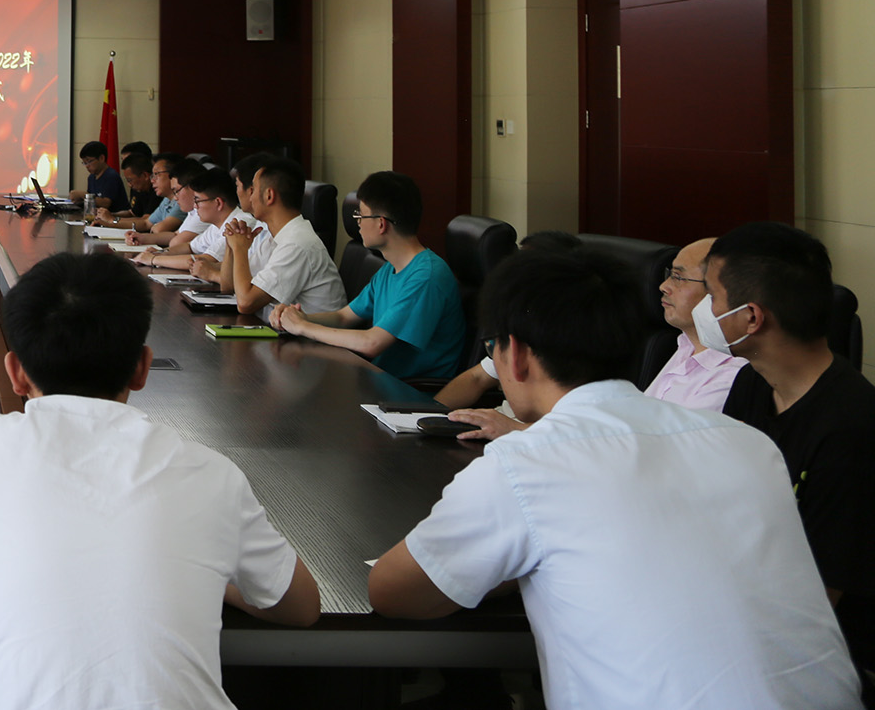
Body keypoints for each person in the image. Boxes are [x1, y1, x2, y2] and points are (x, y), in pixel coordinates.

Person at [369, 247, 859, 709]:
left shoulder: (524, 461)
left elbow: (392, 591)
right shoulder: (750, 444)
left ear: (513, 355)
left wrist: (512, 568)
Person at [0, 250, 319, 708]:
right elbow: (302, 606)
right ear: (143, 368)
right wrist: (208, 570)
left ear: (16, 373)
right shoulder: (212, 474)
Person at [710, 222, 875, 676]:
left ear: (751, 317)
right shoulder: (752, 383)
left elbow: (820, 596)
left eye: (713, 297)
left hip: (823, 652)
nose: (708, 311)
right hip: (743, 603)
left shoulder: (852, 429)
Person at [441, 235, 743, 439]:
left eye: (678, 277)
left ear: (719, 291)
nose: (663, 286)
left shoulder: (735, 375)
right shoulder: (683, 346)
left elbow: (660, 450)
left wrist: (518, 431)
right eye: (668, 274)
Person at [272, 171, 465, 382]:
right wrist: (297, 317)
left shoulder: (426, 277)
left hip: (410, 393)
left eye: (361, 216)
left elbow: (372, 343)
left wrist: (303, 327)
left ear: (381, 224)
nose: (358, 223)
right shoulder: (390, 268)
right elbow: (344, 317)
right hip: (380, 382)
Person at [222, 156, 345, 316]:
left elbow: (246, 303)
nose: (250, 197)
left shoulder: (297, 243)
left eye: (254, 190)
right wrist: (231, 244)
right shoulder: (274, 237)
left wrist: (239, 249)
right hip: (278, 328)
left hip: (306, 332)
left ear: (269, 196)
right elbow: (228, 286)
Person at [97, 152, 186, 234]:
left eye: (157, 174)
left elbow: (159, 229)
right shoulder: (167, 200)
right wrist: (110, 222)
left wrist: (112, 220)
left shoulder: (182, 201)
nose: (152, 180)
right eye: (153, 175)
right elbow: (146, 223)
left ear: (174, 174)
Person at [66, 140, 129, 211]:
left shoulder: (111, 176)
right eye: (84, 163)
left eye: (89, 161)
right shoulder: (91, 177)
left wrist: (82, 195)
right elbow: (92, 201)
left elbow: (106, 203)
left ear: (101, 158)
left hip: (116, 216)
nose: (87, 166)